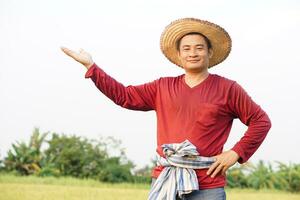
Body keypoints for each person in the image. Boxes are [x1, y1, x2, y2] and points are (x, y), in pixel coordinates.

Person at [61, 18, 271, 200]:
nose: (193, 53)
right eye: (186, 48)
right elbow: (124, 96)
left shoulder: (228, 88)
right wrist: (91, 67)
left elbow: (261, 121)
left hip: (208, 184)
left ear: (210, 52)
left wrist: (236, 153)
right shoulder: (162, 87)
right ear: (179, 55)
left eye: (199, 47)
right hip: (165, 177)